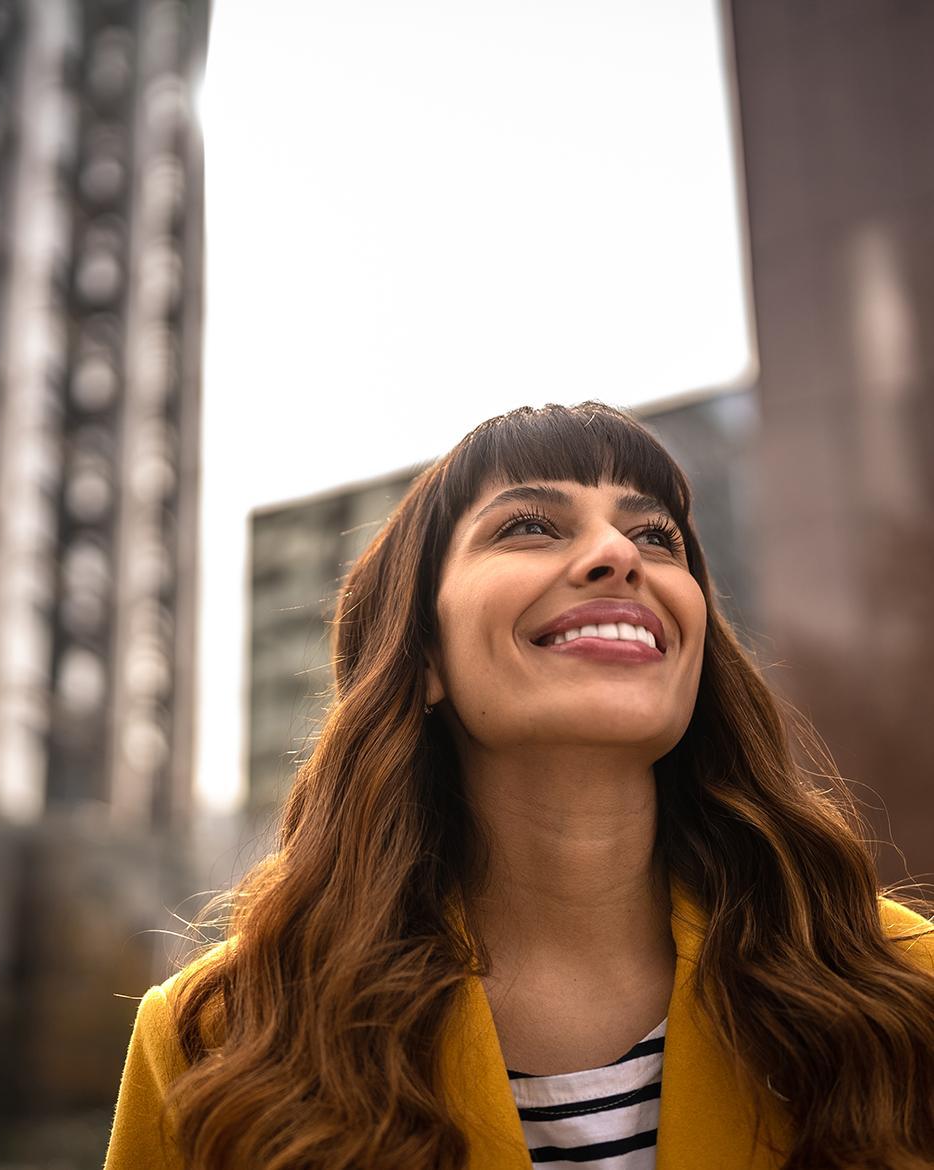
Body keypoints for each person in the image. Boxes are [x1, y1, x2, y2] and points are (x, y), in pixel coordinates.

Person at [105, 402, 934, 1170]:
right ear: (424, 654)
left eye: (657, 536)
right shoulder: (211, 1040)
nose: (617, 555)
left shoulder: (901, 987)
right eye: (530, 525)